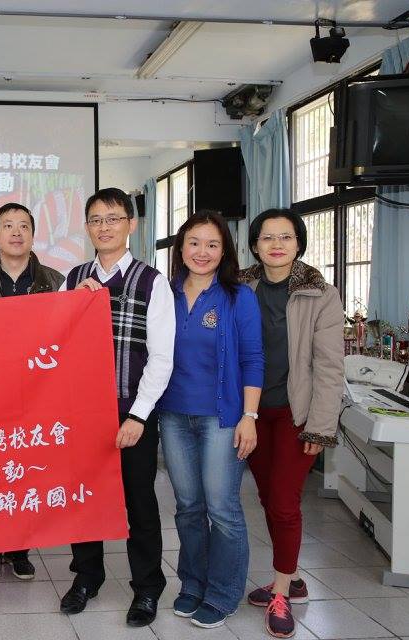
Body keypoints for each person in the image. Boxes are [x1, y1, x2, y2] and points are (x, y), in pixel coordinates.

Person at [59, 188, 175, 626]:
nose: (103, 227)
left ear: (131, 224)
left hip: (132, 412)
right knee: (84, 500)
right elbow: (54, 341)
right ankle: (87, 576)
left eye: (112, 218)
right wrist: (72, 303)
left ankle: (147, 587)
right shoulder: (73, 278)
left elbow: (161, 357)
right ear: (86, 227)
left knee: (139, 502)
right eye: (95, 220)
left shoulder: (152, 281)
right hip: (82, 414)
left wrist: (138, 415)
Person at [240, 208, 345, 638]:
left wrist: (320, 426)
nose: (277, 245)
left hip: (295, 415)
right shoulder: (241, 287)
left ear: (299, 243)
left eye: (285, 237)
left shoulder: (321, 294)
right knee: (268, 498)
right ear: (255, 245)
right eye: (267, 237)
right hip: (252, 412)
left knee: (284, 502)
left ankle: (281, 592)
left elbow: (330, 367)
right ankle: (292, 575)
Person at [156, 210, 263, 629]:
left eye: (212, 244)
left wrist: (249, 416)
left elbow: (253, 359)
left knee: (222, 508)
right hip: (173, 415)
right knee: (188, 507)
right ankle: (192, 584)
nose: (202, 252)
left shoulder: (238, 297)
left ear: (224, 251)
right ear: (181, 248)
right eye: (194, 243)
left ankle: (222, 593)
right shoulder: (163, 292)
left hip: (223, 418)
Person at [0, 202, 63, 581]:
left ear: (33, 234)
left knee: (26, 472)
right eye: (7, 225)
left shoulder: (55, 280)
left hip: (36, 392)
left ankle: (21, 548)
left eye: (23, 225)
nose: (16, 232)